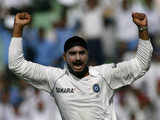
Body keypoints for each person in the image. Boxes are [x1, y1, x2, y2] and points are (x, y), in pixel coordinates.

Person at [8, 12, 153, 120]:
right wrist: (18, 29)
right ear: (64, 57)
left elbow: (141, 64)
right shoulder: (55, 77)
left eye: (82, 53)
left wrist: (143, 29)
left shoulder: (105, 74)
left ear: (88, 55)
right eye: (72, 54)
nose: (77, 58)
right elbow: (16, 65)